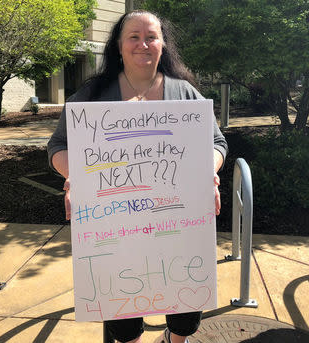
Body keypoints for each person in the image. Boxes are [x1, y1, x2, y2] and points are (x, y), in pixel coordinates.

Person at [47, 10, 228, 343]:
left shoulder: (184, 93)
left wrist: (206, 172)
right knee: (121, 297)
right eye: (134, 36)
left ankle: (178, 339)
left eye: (151, 37)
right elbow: (58, 145)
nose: (143, 44)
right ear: (119, 45)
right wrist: (80, 178)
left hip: (179, 218)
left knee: (183, 291)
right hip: (114, 222)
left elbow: (216, 143)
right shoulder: (93, 94)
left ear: (163, 45)